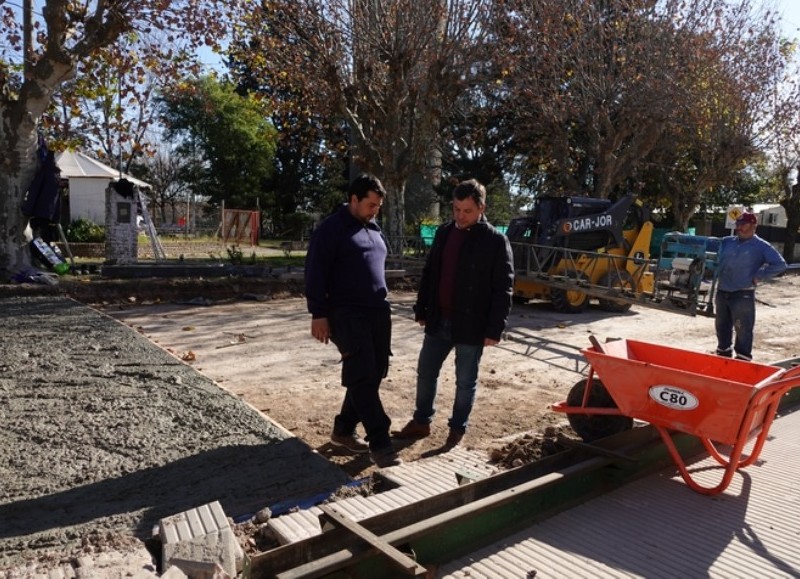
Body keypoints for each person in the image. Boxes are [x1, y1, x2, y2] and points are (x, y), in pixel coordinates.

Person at [395, 179, 514, 447]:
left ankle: (457, 430)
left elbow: (503, 288)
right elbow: (430, 273)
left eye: (467, 211)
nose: (460, 216)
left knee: (465, 381)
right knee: (426, 372)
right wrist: (421, 307)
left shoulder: (496, 241)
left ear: (481, 208)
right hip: (438, 319)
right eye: (456, 209)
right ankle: (421, 422)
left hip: (472, 324)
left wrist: (495, 328)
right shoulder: (444, 233)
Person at [304, 173, 401, 468]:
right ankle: (381, 443)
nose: (375, 210)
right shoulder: (331, 230)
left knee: (374, 372)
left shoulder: (372, 228)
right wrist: (318, 313)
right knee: (361, 372)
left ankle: (344, 429)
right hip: (345, 313)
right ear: (354, 199)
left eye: (378, 206)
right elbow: (315, 272)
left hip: (377, 311)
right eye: (371, 204)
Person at [714, 211, 786, 361]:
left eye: (743, 225)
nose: (739, 228)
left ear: (754, 226)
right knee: (721, 326)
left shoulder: (761, 246)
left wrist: (759, 275)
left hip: (742, 294)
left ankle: (742, 360)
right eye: (737, 225)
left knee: (743, 329)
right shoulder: (728, 241)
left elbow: (780, 265)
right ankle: (723, 355)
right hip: (722, 291)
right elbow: (709, 248)